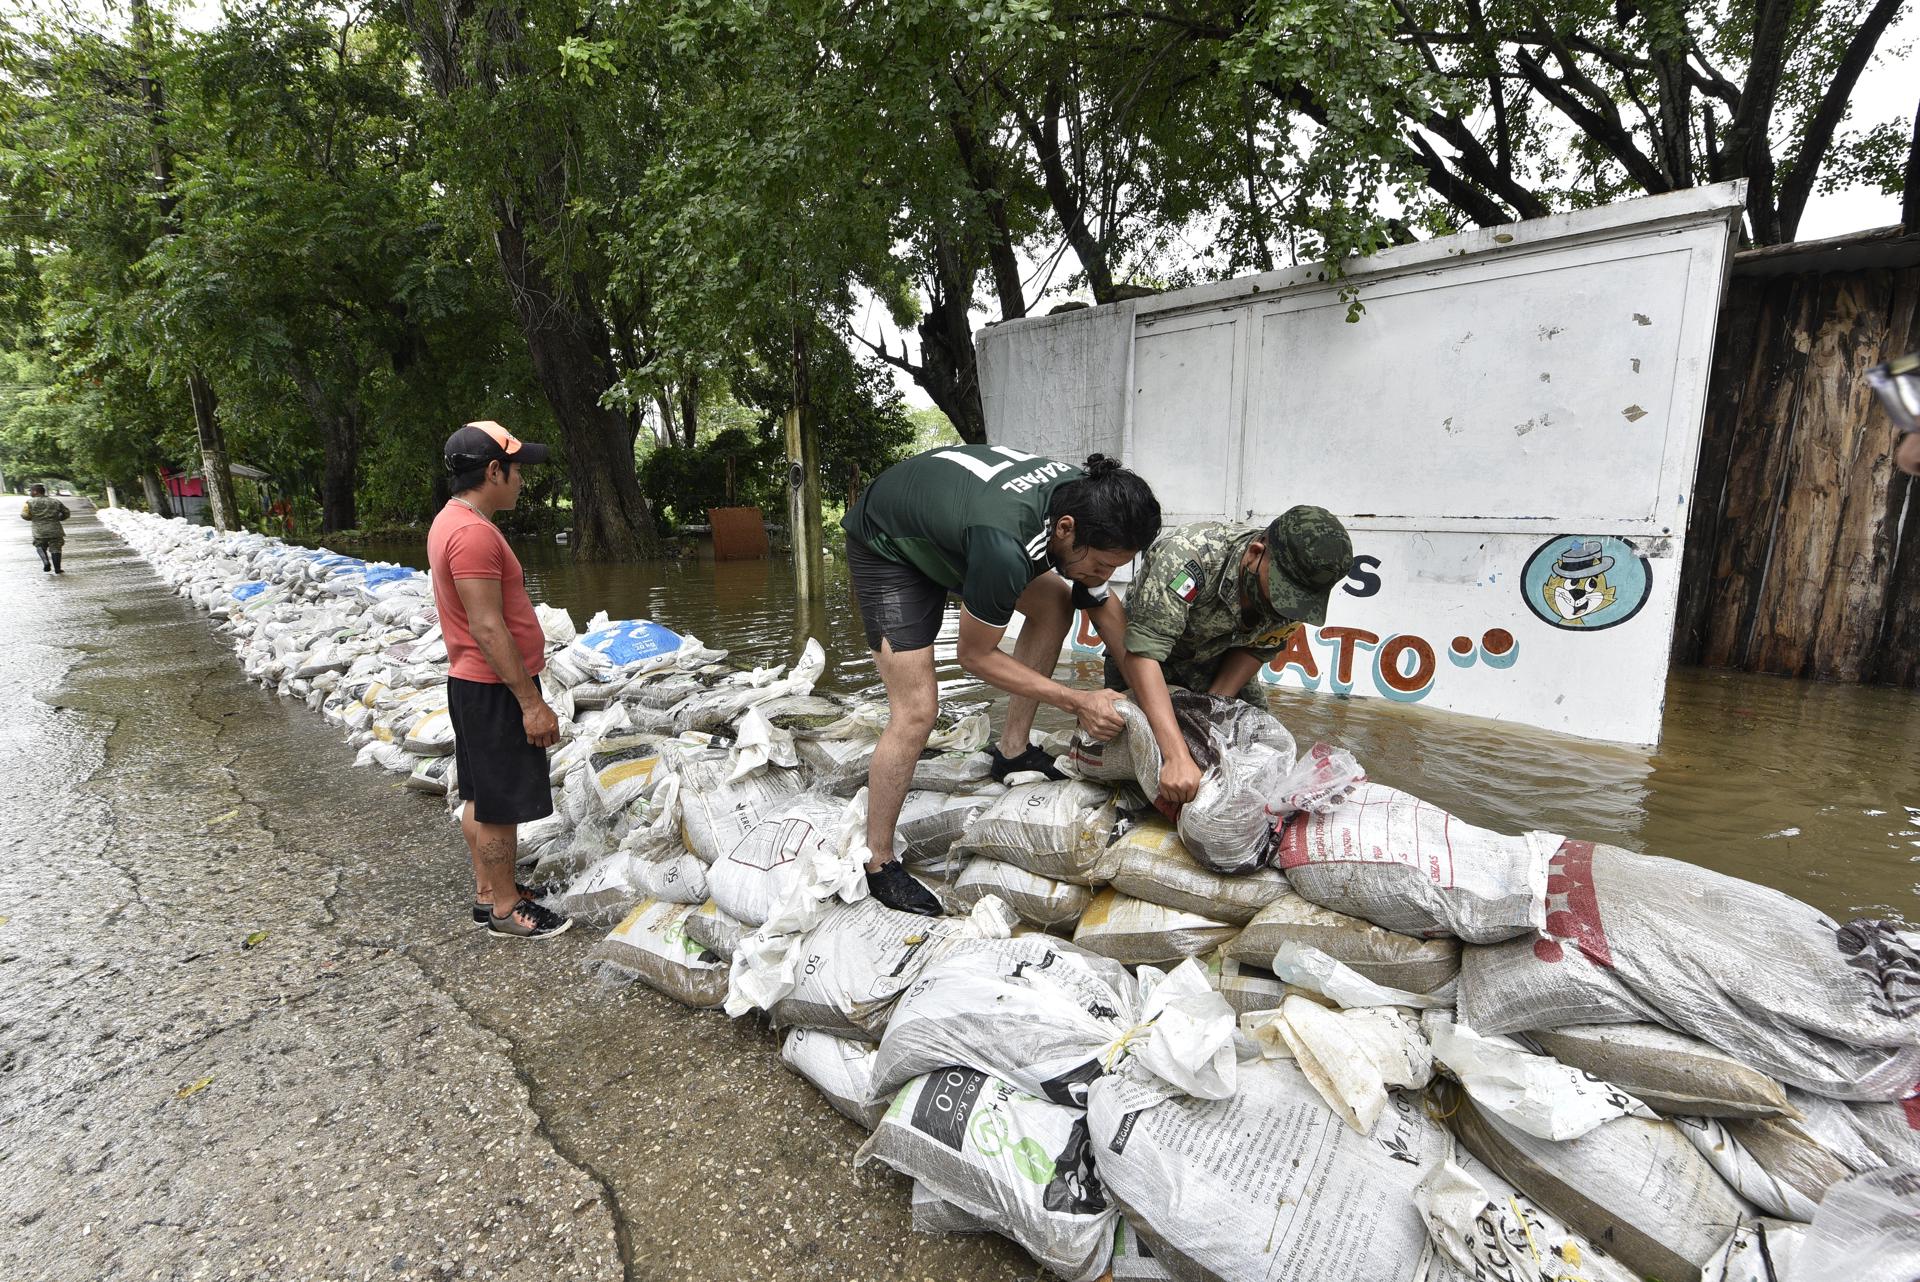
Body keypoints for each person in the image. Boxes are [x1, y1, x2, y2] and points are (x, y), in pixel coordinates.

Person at [842, 446, 1162, 914]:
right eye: (1099, 566)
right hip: (889, 542)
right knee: (917, 711)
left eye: (1115, 567)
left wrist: (1159, 705)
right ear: (1065, 529)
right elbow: (974, 656)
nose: (1103, 576)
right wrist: (1076, 700)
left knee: (1055, 604)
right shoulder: (1006, 546)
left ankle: (1012, 751)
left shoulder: (1091, 500)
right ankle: (879, 861)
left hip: (957, 524)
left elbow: (1106, 614)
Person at [1099, 506, 1353, 807]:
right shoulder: (1189, 556)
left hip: (1217, 665)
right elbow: (1143, 654)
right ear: (1256, 552)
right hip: (1151, 665)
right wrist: (1177, 755)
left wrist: (1209, 716)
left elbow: (1256, 648)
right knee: (1142, 772)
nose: (1284, 609)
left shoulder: (1295, 594)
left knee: (1255, 760)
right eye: (1283, 593)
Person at [428, 421, 572, 941]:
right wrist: (530, 702)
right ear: (493, 471)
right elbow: (487, 627)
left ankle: (489, 891)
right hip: (492, 688)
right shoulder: (471, 535)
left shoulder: (452, 521)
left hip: (473, 683)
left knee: (480, 795)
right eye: (517, 470)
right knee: (499, 805)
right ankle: (507, 910)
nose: (521, 480)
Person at [21, 484, 71, 574]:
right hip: (55, 529)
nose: (30, 493)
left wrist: (32, 518)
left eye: (31, 491)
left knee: (39, 545)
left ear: (35, 491)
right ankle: (57, 569)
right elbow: (66, 513)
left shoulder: (29, 502)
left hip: (39, 530)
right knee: (56, 548)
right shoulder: (55, 501)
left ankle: (46, 562)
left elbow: (24, 515)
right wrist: (60, 518)